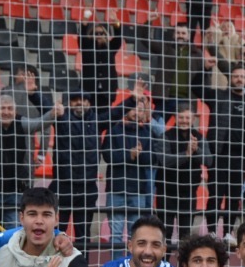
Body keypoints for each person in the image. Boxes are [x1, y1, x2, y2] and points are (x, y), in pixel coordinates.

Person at [0, 93, 60, 228]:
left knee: (14, 234)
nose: (6, 112)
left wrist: (52, 113)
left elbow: (39, 123)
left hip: (13, 193)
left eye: (10, 108)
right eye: (2, 108)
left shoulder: (21, 122)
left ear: (15, 111)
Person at [194, 65, 245, 235]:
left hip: (240, 158)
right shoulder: (218, 96)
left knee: (234, 198)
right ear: (230, 78)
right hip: (219, 155)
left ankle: (227, 233)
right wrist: (205, 70)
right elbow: (196, 87)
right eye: (236, 76)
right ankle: (211, 232)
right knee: (215, 196)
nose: (239, 80)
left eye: (243, 77)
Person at [103, 98, 159, 250]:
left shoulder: (147, 133)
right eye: (133, 108)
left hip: (138, 191)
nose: (136, 112)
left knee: (136, 236)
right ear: (126, 110)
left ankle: (133, 265)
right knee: (115, 235)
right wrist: (129, 155)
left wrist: (139, 154)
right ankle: (117, 264)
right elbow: (107, 156)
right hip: (116, 189)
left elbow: (153, 159)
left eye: (140, 109)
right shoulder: (114, 130)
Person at [52, 91, 101, 240]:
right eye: (75, 100)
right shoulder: (61, 118)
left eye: (84, 100)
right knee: (56, 233)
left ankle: (82, 257)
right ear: (70, 103)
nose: (80, 103)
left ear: (89, 103)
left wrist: (132, 100)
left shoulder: (98, 121)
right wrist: (33, 93)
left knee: (83, 235)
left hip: (87, 188)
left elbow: (116, 113)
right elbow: (44, 107)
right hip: (63, 186)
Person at [158, 102, 210, 243]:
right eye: (181, 117)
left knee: (185, 235)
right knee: (165, 233)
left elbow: (209, 160)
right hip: (166, 192)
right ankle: (165, 258)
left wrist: (196, 150)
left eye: (187, 118)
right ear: (175, 117)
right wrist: (186, 154)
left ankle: (183, 259)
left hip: (188, 192)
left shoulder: (199, 138)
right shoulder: (165, 136)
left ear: (193, 119)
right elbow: (165, 161)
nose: (184, 121)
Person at [80, 17, 125, 110]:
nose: (99, 36)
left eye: (101, 33)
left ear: (105, 34)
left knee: (105, 116)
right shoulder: (87, 48)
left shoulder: (110, 47)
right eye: (96, 33)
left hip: (106, 92)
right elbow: (81, 39)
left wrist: (116, 24)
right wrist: (84, 25)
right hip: (89, 91)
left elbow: (118, 39)